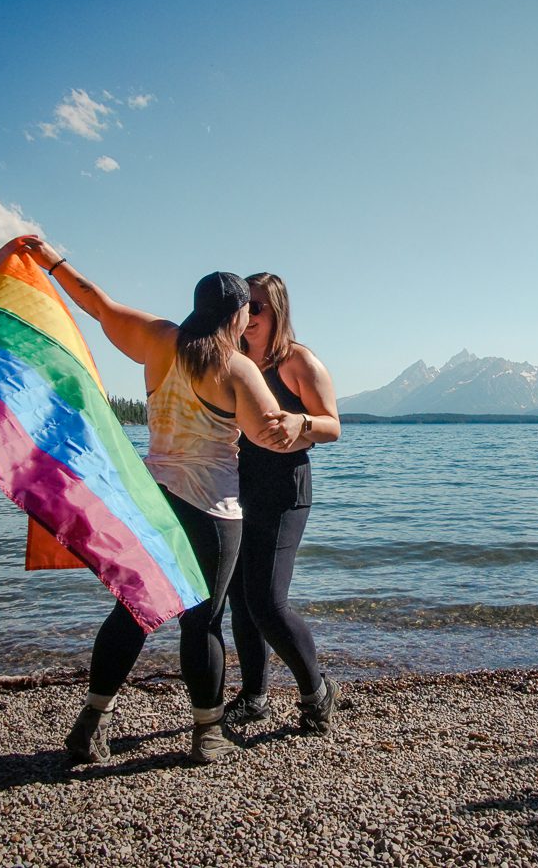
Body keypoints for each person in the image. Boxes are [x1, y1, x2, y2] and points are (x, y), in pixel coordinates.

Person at [20, 238, 301, 764]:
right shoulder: (235, 367)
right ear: (239, 314)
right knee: (203, 622)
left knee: (132, 611)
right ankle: (207, 734)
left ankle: (92, 722)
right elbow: (269, 436)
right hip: (213, 510)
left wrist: (54, 262)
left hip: (152, 501)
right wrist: (306, 424)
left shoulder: (159, 341)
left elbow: (98, 305)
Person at [224, 272, 342, 734]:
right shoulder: (232, 361)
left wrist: (302, 424)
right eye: (243, 307)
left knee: (268, 603)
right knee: (239, 600)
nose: (248, 316)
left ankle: (317, 690)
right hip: (235, 488)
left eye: (258, 308)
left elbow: (333, 425)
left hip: (284, 490)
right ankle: (254, 697)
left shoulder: (298, 361)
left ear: (278, 311)